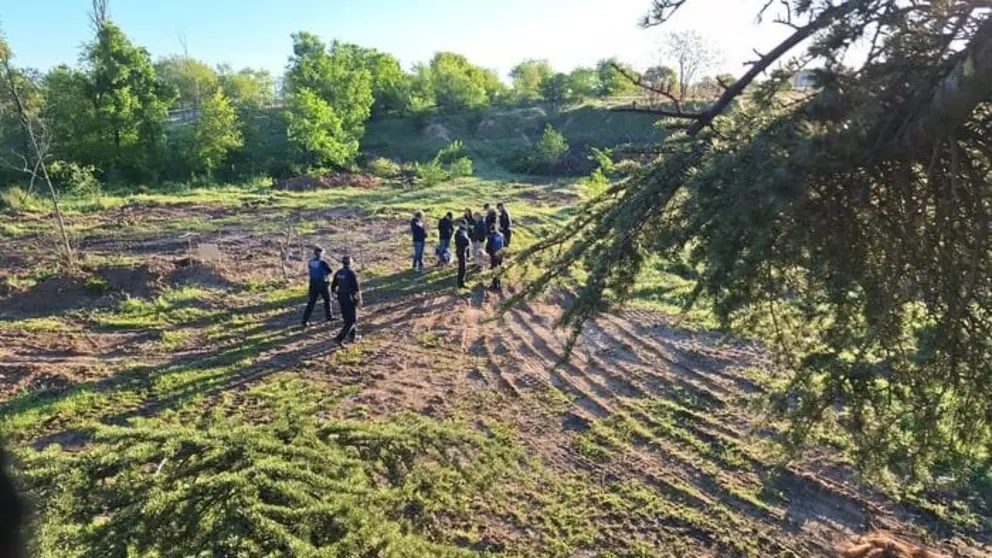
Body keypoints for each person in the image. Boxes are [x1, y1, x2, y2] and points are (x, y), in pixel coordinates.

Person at [331, 255, 362, 346]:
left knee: (347, 318)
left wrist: (334, 295)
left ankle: (353, 336)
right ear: (350, 263)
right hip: (350, 297)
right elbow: (357, 288)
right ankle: (339, 338)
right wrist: (359, 300)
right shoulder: (351, 273)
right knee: (352, 320)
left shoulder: (338, 272)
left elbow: (333, 286)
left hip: (341, 297)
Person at [301, 246, 334, 326]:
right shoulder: (323, 262)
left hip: (313, 283)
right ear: (321, 253)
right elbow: (330, 271)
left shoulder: (310, 262)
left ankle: (304, 320)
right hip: (323, 283)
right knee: (327, 300)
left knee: (311, 302)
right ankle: (329, 316)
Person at [486, 225, 506, 291]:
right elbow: (505, 243)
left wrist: (488, 253)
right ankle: (499, 283)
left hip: (494, 254)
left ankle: (494, 285)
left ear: (492, 230)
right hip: (501, 254)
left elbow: (488, 247)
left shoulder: (491, 236)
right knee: (499, 269)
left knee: (494, 269)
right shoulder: (501, 235)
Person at [454, 219, 471, 288]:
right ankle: (461, 283)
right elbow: (464, 241)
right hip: (461, 251)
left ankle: (461, 282)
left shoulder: (464, 232)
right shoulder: (459, 232)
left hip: (463, 251)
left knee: (463, 268)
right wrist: (467, 241)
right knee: (462, 268)